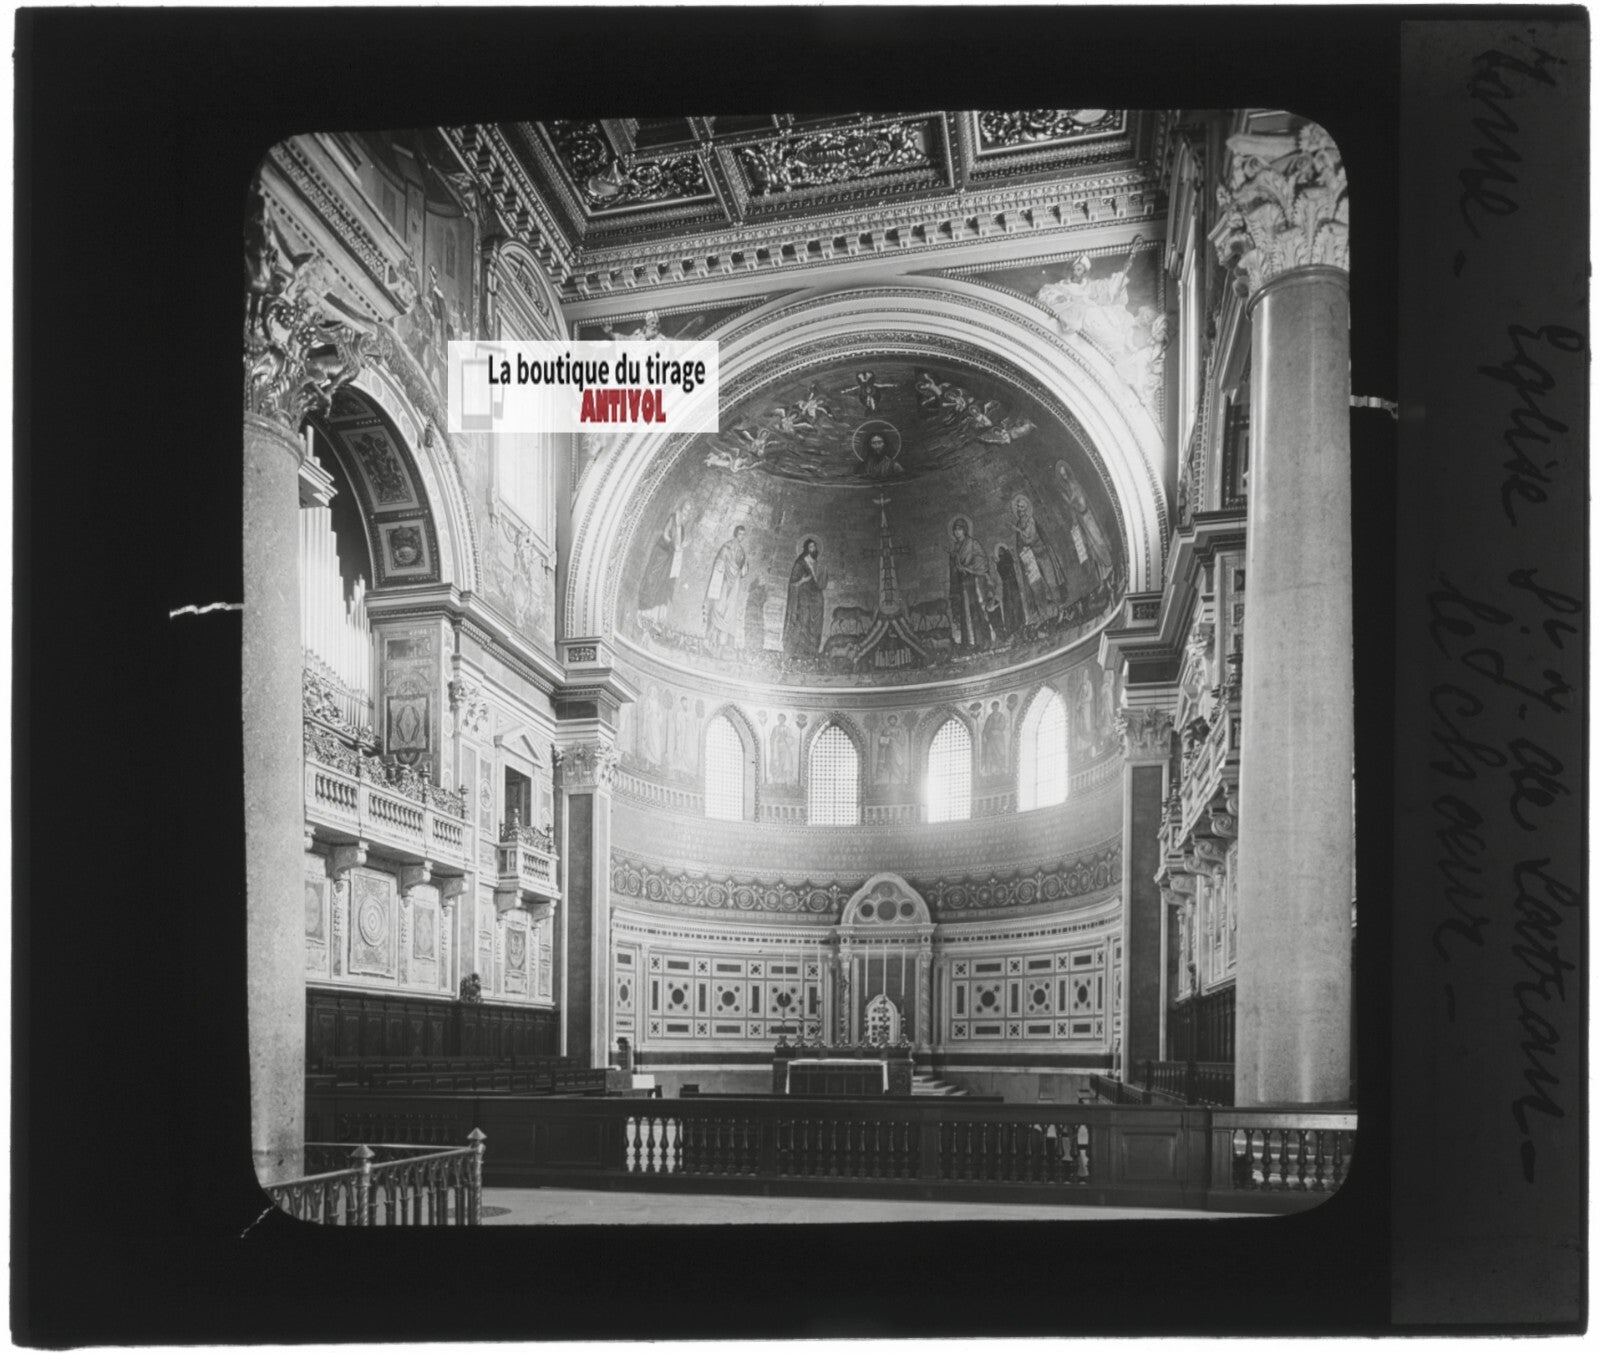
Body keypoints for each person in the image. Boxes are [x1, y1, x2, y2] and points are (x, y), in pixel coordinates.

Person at [1010, 494, 1065, 631]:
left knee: (1051, 583)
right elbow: (1020, 544)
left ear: (1026, 508)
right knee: (1036, 588)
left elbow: (1031, 538)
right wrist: (1021, 554)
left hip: (1042, 554)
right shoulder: (1019, 524)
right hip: (1030, 559)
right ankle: (1044, 616)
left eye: (1022, 507)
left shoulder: (1031, 521)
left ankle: (1061, 610)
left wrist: (1019, 532)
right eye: (1017, 507)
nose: (1019, 509)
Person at [637, 500, 689, 624]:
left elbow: (678, 544)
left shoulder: (682, 527)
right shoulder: (673, 518)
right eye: (685, 509)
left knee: (662, 584)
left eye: (688, 511)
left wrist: (681, 546)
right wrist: (673, 545)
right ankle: (643, 611)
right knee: (652, 578)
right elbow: (665, 534)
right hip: (661, 553)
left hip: (670, 559)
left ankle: (654, 617)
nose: (686, 513)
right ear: (681, 508)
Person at [947, 517, 994, 651]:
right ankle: (970, 643)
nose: (957, 532)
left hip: (974, 583)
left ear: (965, 530)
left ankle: (983, 641)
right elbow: (953, 571)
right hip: (963, 586)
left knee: (977, 611)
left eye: (959, 529)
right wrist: (954, 563)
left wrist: (967, 569)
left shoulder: (972, 543)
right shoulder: (955, 548)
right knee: (965, 613)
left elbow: (982, 561)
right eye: (955, 530)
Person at [703, 525, 750, 652]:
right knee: (718, 608)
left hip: (734, 584)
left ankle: (722, 642)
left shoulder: (742, 551)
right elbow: (719, 562)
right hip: (724, 581)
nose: (741, 536)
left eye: (743, 534)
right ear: (735, 533)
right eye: (740, 533)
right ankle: (710, 639)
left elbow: (742, 570)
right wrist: (725, 569)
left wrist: (744, 569)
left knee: (729, 611)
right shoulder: (727, 547)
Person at [782, 538, 828, 656]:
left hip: (815, 596)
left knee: (816, 621)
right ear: (806, 549)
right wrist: (803, 580)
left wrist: (823, 572)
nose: (814, 549)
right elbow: (793, 582)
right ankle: (799, 651)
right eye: (811, 547)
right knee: (804, 620)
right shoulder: (800, 563)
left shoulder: (817, 564)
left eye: (815, 546)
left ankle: (812, 650)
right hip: (803, 596)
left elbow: (821, 583)